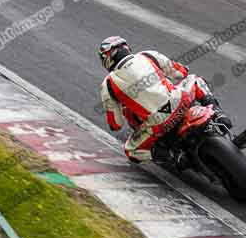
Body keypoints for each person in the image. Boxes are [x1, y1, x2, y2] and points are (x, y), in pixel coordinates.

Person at [98, 36, 231, 167]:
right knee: (194, 79)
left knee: (131, 151)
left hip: (158, 123)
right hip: (180, 101)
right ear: (126, 48)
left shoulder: (108, 84)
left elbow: (116, 125)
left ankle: (174, 157)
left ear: (107, 59)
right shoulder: (147, 55)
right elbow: (181, 73)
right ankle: (218, 112)